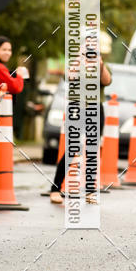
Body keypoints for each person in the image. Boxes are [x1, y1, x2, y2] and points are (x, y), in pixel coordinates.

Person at [49, 53, 112, 205]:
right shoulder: (77, 63)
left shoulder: (102, 65)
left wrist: (100, 65)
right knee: (72, 148)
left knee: (92, 150)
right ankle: (55, 188)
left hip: (95, 107)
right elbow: (69, 77)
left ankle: (90, 191)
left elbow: (107, 81)